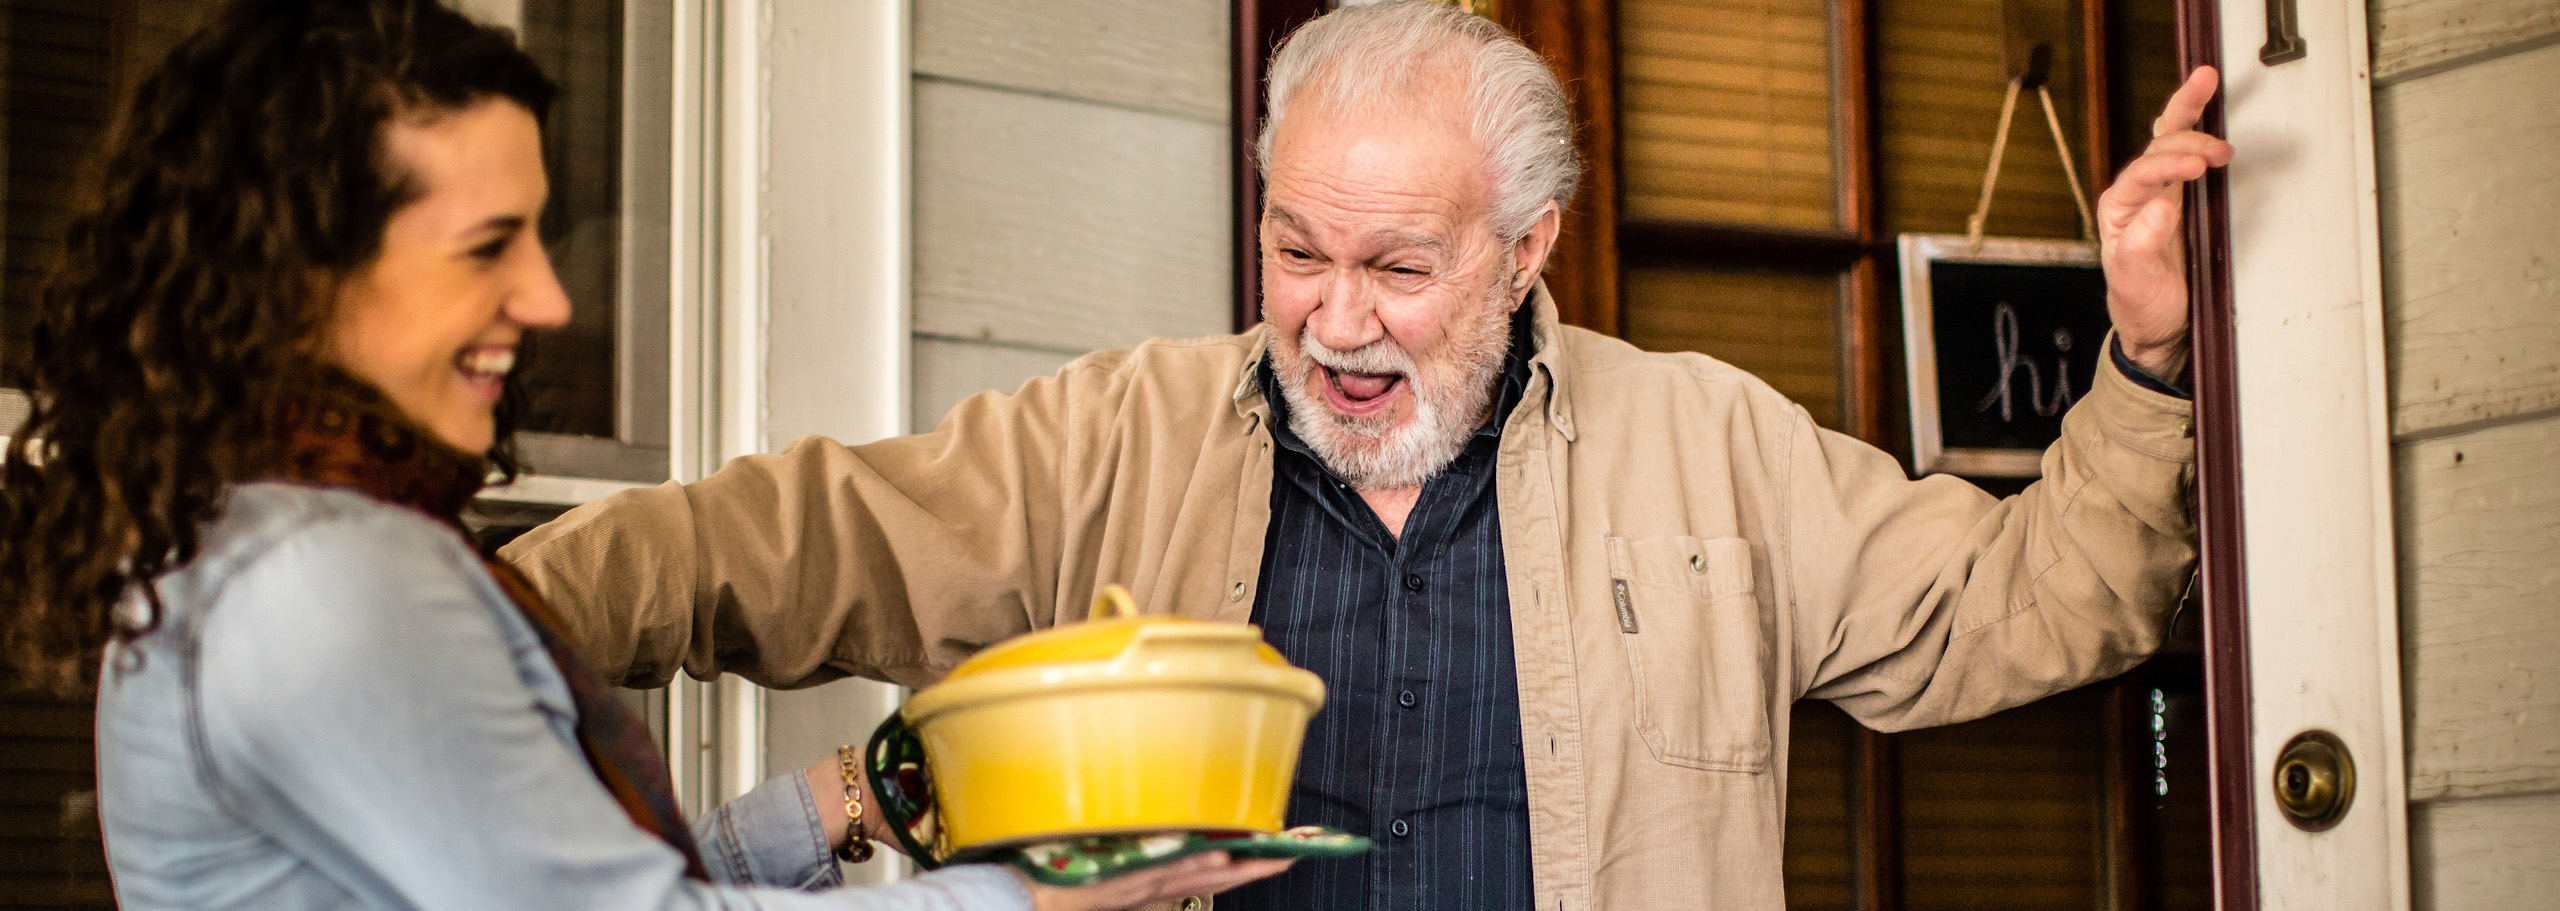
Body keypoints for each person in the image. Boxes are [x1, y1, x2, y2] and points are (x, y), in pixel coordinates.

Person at [504, 2, 2234, 909]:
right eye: (1295, 249)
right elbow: (781, 543)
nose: (1334, 318)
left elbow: (2030, 603)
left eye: (1400, 268)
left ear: (1525, 250)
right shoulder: (1113, 437)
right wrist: (462, 616)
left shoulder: (1711, 445)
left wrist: (2148, 353)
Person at [0, 2, 1286, 909]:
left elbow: (554, 878)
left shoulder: (274, 534)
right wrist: (1022, 899)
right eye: (487, 245)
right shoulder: (329, 585)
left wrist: (857, 794)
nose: (550, 298)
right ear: (309, 275)